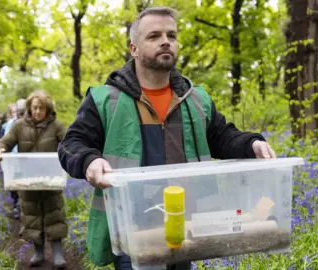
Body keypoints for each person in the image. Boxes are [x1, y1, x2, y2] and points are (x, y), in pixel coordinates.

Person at [57, 6, 276, 270]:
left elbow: (222, 136)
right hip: (134, 229)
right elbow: (71, 144)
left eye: (171, 35)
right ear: (134, 48)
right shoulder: (105, 99)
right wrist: (89, 161)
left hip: (188, 226)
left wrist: (251, 143)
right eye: (154, 36)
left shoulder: (196, 98)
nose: (165, 41)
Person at [0, 90, 68, 268]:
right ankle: (38, 253)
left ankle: (58, 253)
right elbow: (4, 142)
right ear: (29, 108)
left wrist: (70, 153)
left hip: (51, 177)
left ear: (47, 109)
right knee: (31, 216)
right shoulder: (19, 126)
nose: (38, 111)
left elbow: (69, 142)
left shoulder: (56, 126)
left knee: (54, 214)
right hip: (27, 179)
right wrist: (0, 150)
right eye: (35, 107)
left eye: (41, 108)